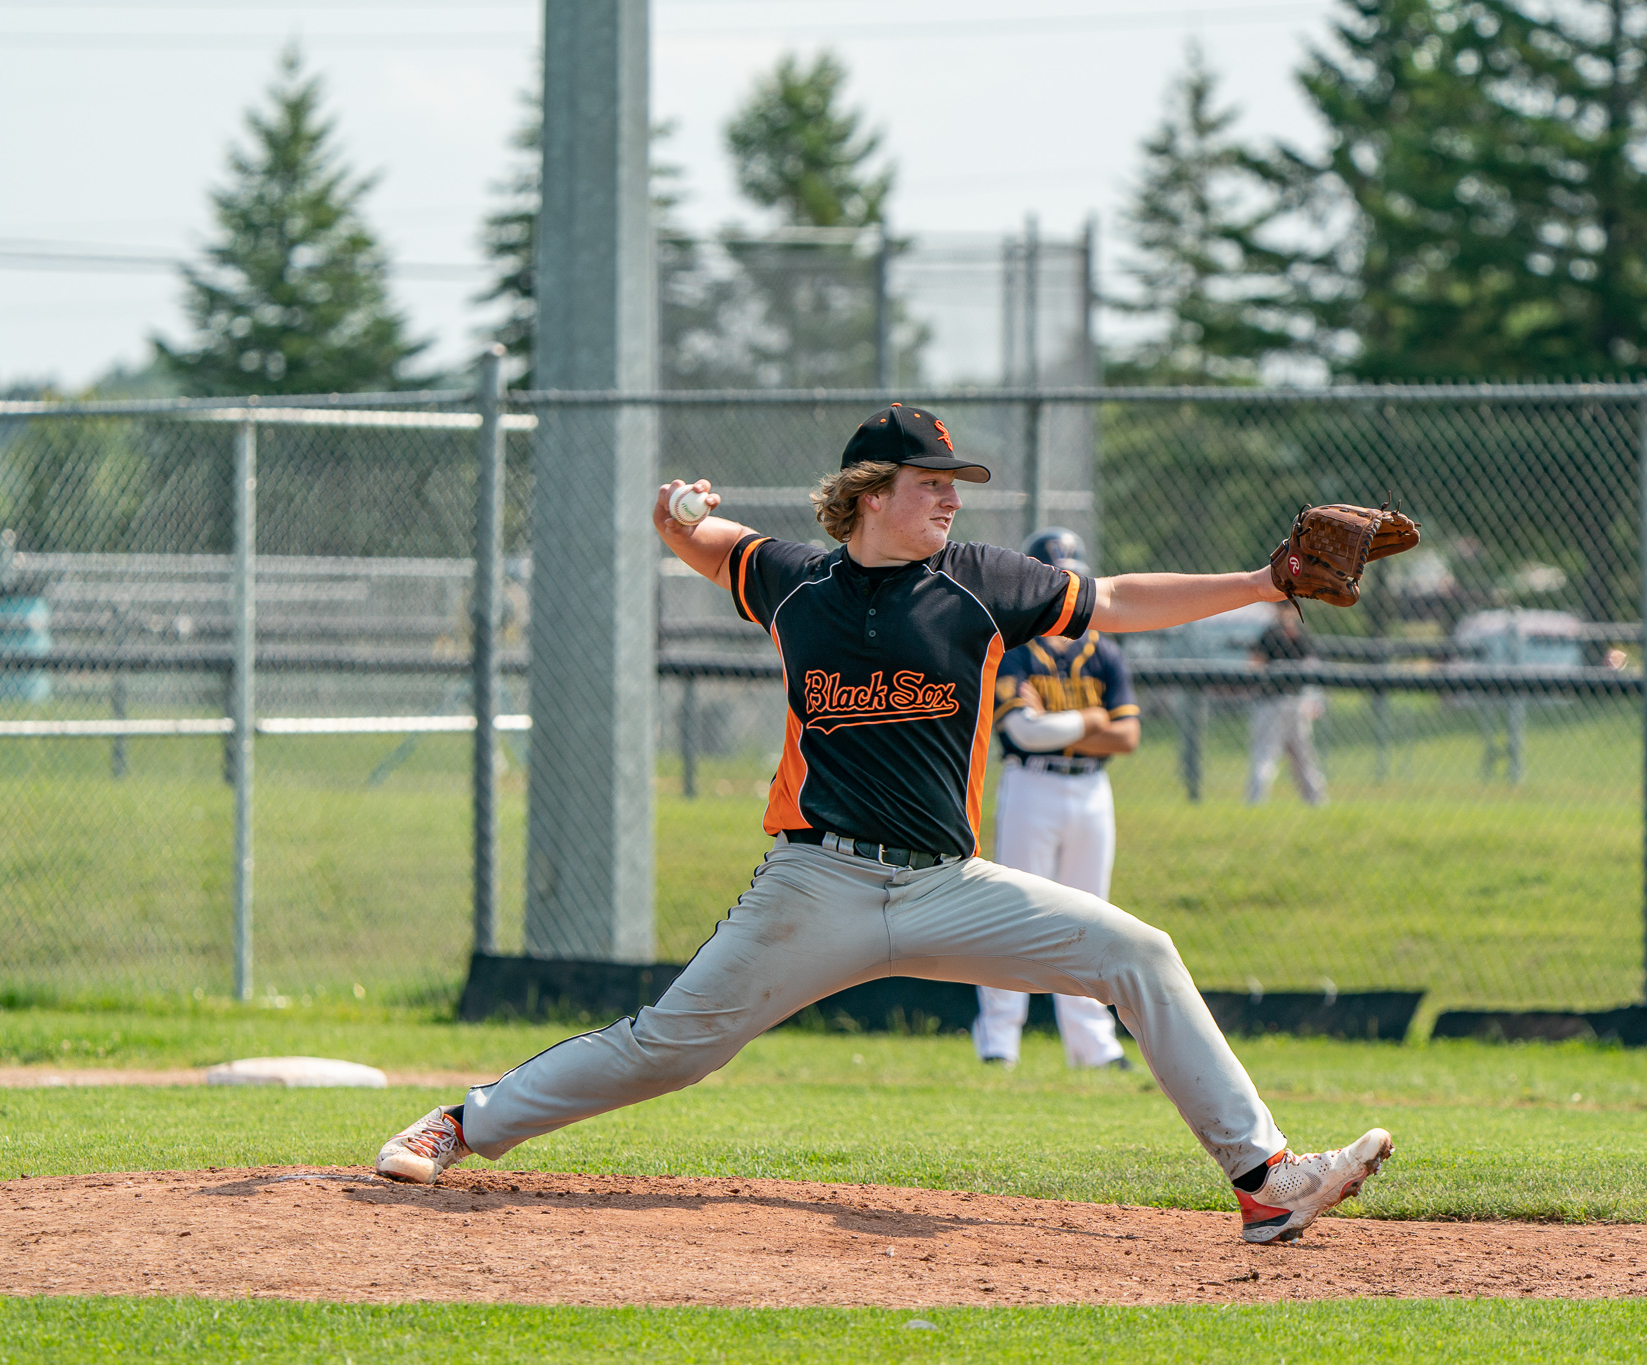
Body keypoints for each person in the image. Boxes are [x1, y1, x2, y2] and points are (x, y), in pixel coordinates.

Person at [375, 403, 1392, 1245]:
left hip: (948, 885)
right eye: (930, 481)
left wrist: (1266, 582)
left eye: (955, 483)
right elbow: (705, 543)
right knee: (669, 1050)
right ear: (869, 493)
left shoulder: (981, 582)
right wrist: (675, 514)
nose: (951, 497)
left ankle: (1265, 1181)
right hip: (815, 884)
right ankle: (460, 1123)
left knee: (1138, 951)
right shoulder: (794, 583)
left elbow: (1117, 599)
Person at [973, 527, 1142, 1071]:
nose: (1063, 588)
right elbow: (1023, 734)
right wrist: (1091, 720)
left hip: (1091, 789)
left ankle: (1092, 1045)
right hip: (1032, 785)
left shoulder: (1104, 652)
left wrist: (1061, 725)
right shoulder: (1014, 650)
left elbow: (1127, 737)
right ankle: (999, 1039)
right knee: (1015, 912)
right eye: (1052, 578)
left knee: (1091, 915)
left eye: (1071, 577)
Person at [1248, 602, 1328, 806]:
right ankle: (1315, 802)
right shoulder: (1286, 633)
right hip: (1286, 702)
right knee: (1293, 758)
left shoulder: (1282, 634)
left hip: (1281, 703)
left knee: (1278, 756)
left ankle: (1256, 802)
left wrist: (1312, 700)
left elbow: (1254, 665)